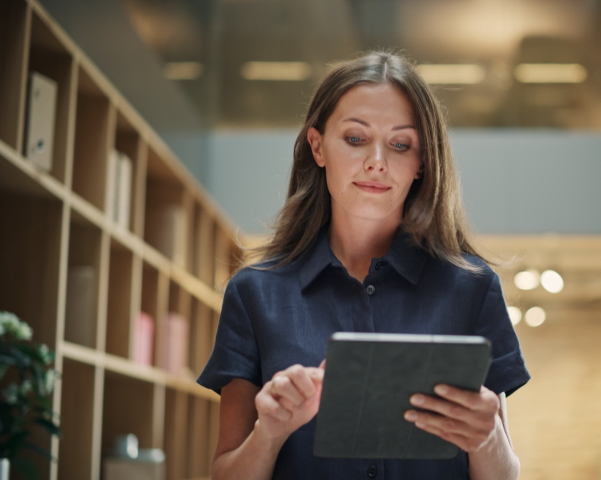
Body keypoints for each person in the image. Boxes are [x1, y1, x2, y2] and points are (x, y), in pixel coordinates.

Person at [197, 51, 531, 480]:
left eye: (400, 144)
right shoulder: (253, 294)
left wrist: (487, 438)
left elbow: (504, 476)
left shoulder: (472, 289)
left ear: (422, 163)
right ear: (317, 147)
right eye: (355, 139)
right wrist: (270, 432)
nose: (377, 161)